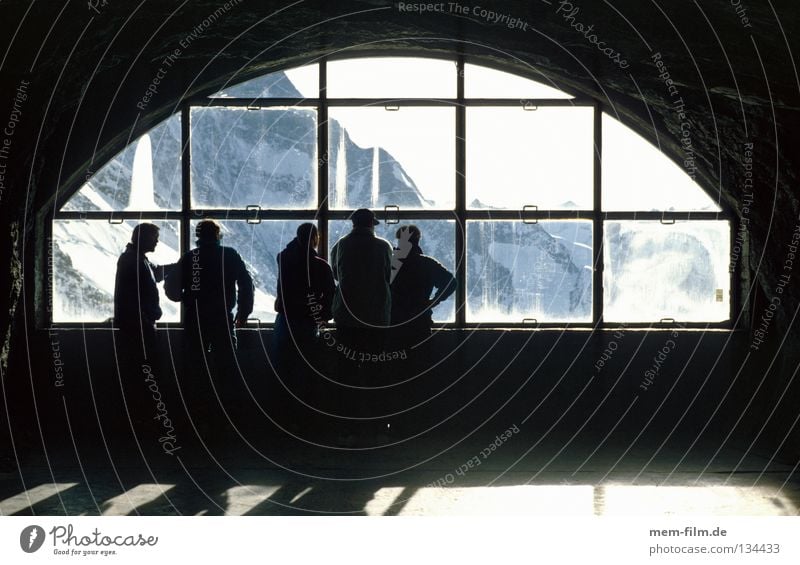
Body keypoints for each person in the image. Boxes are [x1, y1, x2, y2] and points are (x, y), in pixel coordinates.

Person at [329, 208, 393, 444]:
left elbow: (335, 274)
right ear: (372, 225)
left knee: (346, 374)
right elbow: (388, 275)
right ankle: (378, 429)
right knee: (376, 374)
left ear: (353, 224)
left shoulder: (340, 246)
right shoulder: (383, 247)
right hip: (376, 319)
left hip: (347, 318)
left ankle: (348, 429)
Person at [273, 223, 335, 431]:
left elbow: (284, 254)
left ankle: (283, 418)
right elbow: (330, 295)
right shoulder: (321, 266)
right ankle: (304, 420)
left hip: (286, 319)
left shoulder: (285, 259)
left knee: (284, 370)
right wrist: (324, 316)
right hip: (308, 321)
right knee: (305, 371)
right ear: (315, 239)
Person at [166, 219, 254, 354]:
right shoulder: (229, 255)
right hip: (222, 318)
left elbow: (171, 287)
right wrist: (243, 314)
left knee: (196, 364)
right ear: (217, 235)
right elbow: (246, 285)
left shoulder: (189, 257)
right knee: (225, 365)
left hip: (195, 319)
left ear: (199, 236)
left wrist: (186, 298)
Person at [113, 222, 174, 359]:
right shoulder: (133, 260)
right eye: (155, 237)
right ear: (144, 238)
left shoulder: (136, 258)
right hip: (137, 328)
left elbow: (156, 273)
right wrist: (145, 321)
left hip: (138, 326)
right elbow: (130, 298)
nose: (157, 241)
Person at [390, 224, 456, 340]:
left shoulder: (391, 264)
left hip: (394, 321)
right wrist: (433, 302)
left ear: (399, 240)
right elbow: (451, 283)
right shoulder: (427, 263)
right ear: (418, 240)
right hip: (420, 321)